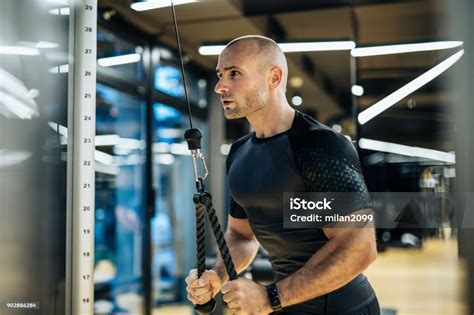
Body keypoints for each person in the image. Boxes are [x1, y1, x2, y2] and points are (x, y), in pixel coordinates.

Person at [185, 35, 379, 315]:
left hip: (343, 308)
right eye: (220, 75)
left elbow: (359, 247)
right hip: (287, 305)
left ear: (274, 78)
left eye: (234, 74)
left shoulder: (319, 145)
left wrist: (269, 299)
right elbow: (242, 237)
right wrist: (218, 274)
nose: (220, 86)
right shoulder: (240, 152)